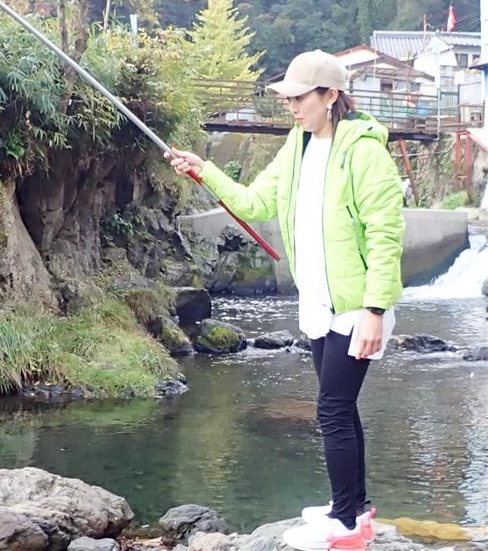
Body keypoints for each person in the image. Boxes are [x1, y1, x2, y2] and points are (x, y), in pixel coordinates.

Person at [166, 50, 404, 551]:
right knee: (342, 407)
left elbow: (386, 234)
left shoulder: (365, 152)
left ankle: (345, 526)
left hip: (357, 307)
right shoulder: (296, 146)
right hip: (317, 302)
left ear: (330, 96)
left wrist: (376, 312)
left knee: (333, 409)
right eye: (288, 97)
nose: (291, 106)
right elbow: (255, 202)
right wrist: (202, 170)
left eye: (299, 97)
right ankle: (353, 508)